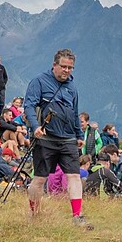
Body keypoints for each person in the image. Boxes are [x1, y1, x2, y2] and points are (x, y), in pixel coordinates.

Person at [24, 49, 88, 226]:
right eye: (64, 67)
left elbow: (74, 113)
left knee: (74, 175)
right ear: (54, 65)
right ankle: (34, 214)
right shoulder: (39, 82)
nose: (67, 71)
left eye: (70, 68)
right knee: (40, 178)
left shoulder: (72, 88)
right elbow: (29, 106)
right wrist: (35, 127)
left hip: (67, 138)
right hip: (45, 138)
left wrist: (79, 134)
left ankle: (77, 216)